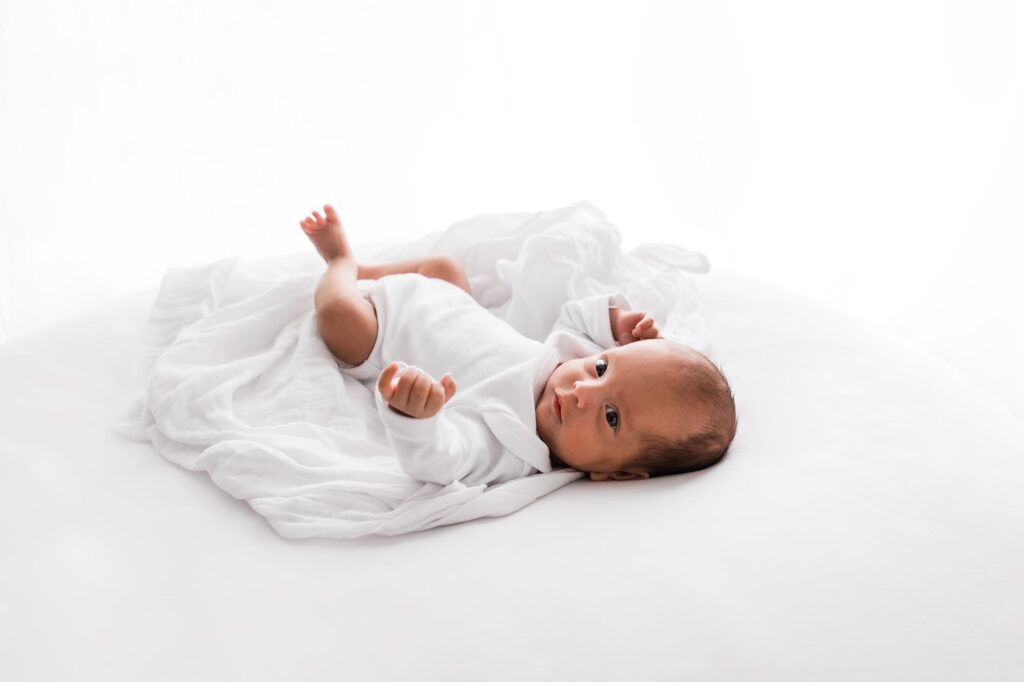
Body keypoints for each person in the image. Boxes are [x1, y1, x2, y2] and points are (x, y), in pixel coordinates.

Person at [300, 204, 737, 486]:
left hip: (381, 335)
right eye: (603, 368)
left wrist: (417, 419)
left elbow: (444, 460)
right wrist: (618, 324)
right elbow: (576, 317)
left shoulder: (513, 445)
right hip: (446, 299)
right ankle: (370, 270)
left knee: (340, 319)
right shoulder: (566, 361)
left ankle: (342, 263)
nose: (584, 391)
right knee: (443, 265)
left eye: (611, 416)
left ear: (617, 471)